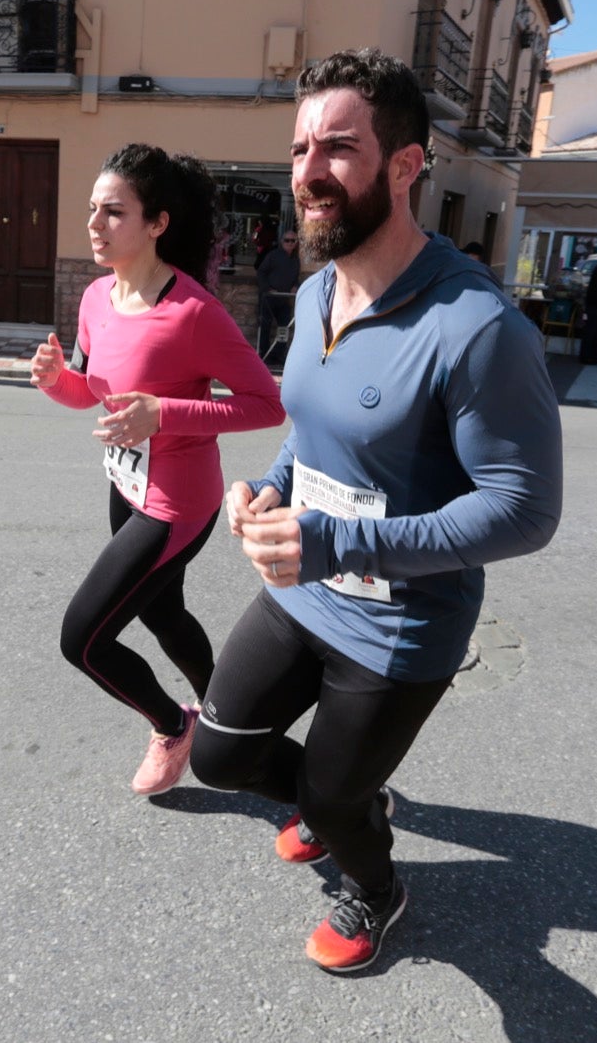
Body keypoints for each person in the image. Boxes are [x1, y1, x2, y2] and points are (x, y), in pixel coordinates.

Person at [189, 49, 563, 974]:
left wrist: (338, 541)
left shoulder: (476, 328)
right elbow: (307, 431)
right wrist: (274, 485)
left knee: (328, 803)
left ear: (405, 165)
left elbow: (525, 512)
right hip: (304, 585)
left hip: (399, 626)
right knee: (219, 753)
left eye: (340, 149)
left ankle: (376, 881)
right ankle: (346, 801)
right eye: (301, 147)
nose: (310, 172)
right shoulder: (317, 289)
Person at [30, 144, 284, 797]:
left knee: (82, 639)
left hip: (177, 504)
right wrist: (59, 382)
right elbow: (94, 388)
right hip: (126, 484)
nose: (94, 223)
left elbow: (266, 404)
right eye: (92, 210)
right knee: (164, 613)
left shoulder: (193, 312)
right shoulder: (95, 296)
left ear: (157, 224)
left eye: (113, 212)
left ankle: (176, 725)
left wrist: (163, 414)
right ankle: (234, 722)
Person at [254, 225, 301, 358]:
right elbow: (261, 272)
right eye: (287, 240)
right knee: (265, 326)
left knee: (283, 328)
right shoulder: (273, 256)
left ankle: (278, 356)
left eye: (293, 241)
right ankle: (263, 355)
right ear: (282, 242)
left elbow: (296, 278)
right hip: (269, 298)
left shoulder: (296, 260)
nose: (290, 243)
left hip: (283, 299)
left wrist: (295, 286)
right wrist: (268, 289)